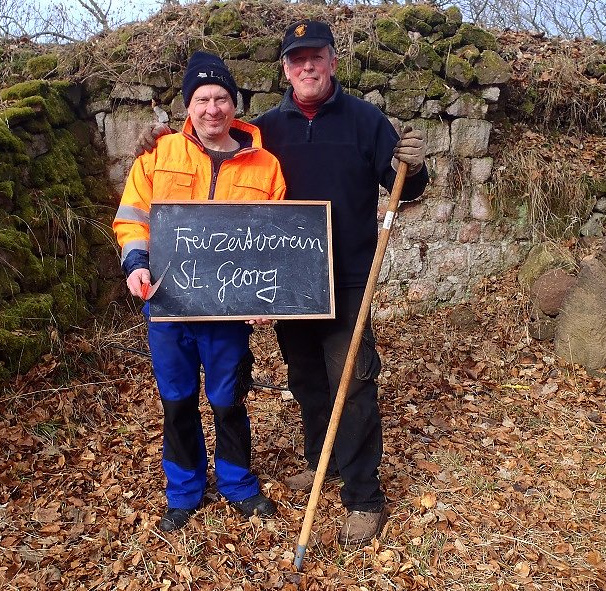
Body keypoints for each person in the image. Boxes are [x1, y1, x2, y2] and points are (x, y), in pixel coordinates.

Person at [136, 21, 427, 546]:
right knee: (306, 378)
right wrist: (157, 138)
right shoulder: (268, 128)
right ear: (285, 69)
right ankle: (321, 462)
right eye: (297, 59)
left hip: (348, 278)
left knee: (352, 383)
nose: (307, 66)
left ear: (333, 61)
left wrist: (417, 167)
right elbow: (210, 141)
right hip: (291, 281)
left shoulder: (366, 121)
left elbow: (403, 185)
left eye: (316, 56)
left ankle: (363, 496)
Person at [113, 51, 287, 533]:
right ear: (188, 105)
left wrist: (267, 297)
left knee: (229, 401)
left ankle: (237, 484)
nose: (213, 109)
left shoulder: (266, 166)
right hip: (168, 305)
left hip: (228, 312)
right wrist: (135, 264)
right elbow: (133, 218)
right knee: (177, 401)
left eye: (222, 98)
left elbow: (276, 240)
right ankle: (184, 491)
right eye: (203, 99)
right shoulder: (159, 154)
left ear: (235, 104)